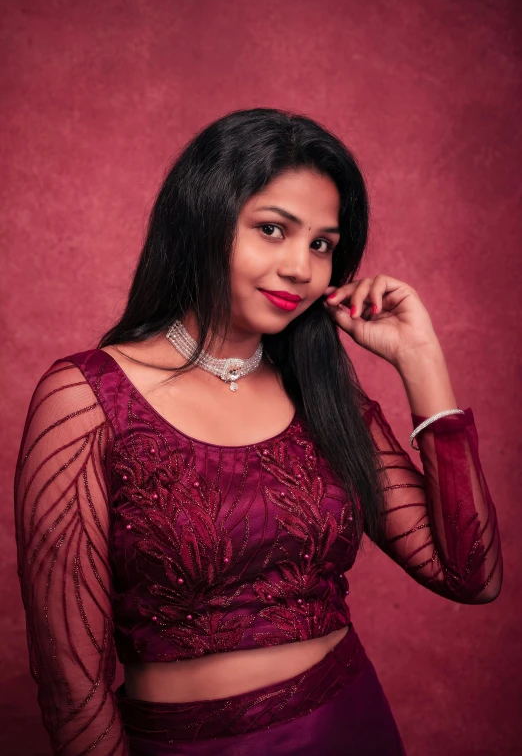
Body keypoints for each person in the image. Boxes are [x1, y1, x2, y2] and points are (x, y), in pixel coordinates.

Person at [13, 107, 502, 756]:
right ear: (202, 223)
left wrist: (422, 361)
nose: (301, 267)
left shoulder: (322, 394)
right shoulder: (87, 400)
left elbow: (470, 574)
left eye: (321, 244)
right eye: (273, 229)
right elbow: (72, 689)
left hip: (352, 724)